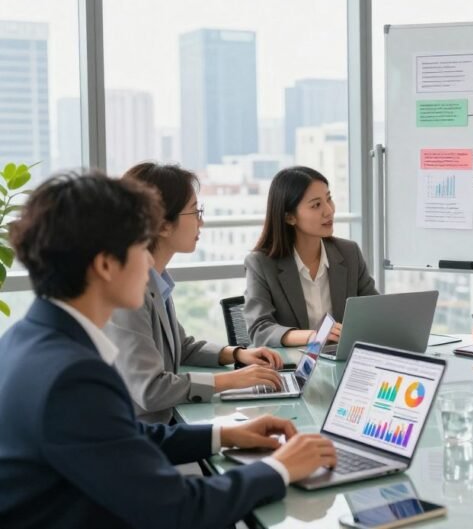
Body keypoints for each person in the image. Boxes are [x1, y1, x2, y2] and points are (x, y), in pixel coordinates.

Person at [0, 172, 338, 528]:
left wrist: (223, 435)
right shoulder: (73, 376)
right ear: (104, 265)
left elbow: (119, 437)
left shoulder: (24, 340)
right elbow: (178, 509)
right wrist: (280, 468)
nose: (149, 264)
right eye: (139, 248)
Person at [104, 163, 286, 424]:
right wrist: (230, 381)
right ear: (163, 225)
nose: (201, 221)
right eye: (195, 211)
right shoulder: (126, 294)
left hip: (164, 428)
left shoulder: (156, 281)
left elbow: (183, 346)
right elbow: (151, 390)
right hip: (140, 440)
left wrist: (236, 354)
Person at [244, 166, 378, 347]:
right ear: (290, 217)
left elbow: (375, 313)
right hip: (288, 367)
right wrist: (314, 337)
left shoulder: (349, 253)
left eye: (329, 199)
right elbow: (260, 329)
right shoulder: (261, 263)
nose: (329, 210)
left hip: (340, 363)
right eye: (316, 205)